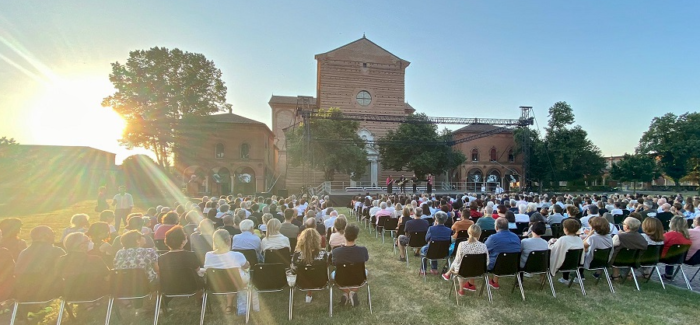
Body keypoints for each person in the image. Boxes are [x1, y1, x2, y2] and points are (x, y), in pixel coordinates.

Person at [203, 229, 254, 315]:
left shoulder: (208, 255)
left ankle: (229, 306)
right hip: (236, 284)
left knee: (229, 277)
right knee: (242, 274)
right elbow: (246, 266)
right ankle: (241, 307)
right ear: (228, 240)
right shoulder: (237, 255)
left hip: (215, 285)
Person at [157, 226, 202, 314]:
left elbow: (160, 273)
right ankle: (199, 301)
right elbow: (198, 271)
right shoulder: (191, 255)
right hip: (190, 286)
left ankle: (163, 305)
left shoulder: (161, 258)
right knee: (200, 278)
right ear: (182, 241)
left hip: (169, 287)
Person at [55, 232, 110, 302]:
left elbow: (57, 277)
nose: (90, 243)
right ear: (82, 246)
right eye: (88, 242)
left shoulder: (61, 260)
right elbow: (107, 276)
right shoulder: (95, 259)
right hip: (94, 293)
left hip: (69, 294)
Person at [14, 226, 66, 299]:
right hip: (49, 290)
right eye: (52, 233)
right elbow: (67, 270)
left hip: (24, 291)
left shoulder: (24, 252)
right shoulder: (56, 251)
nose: (54, 235)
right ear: (45, 236)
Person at [441, 224, 488, 294]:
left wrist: (451, 270)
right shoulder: (483, 246)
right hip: (479, 270)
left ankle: (461, 290)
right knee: (470, 262)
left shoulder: (462, 244)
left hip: (463, 270)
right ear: (480, 234)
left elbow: (457, 260)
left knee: (459, 262)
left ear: (468, 233)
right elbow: (487, 261)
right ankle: (470, 284)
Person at [331, 225, 369, 306]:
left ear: (344, 235)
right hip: (359, 278)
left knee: (333, 274)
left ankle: (346, 293)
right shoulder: (362, 250)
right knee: (366, 271)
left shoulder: (336, 251)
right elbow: (366, 259)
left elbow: (333, 263)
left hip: (341, 279)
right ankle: (352, 292)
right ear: (356, 237)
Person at [291, 228, 327, 303]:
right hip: (320, 281)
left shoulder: (297, 255)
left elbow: (293, 269)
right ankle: (309, 294)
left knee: (307, 272)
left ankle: (309, 294)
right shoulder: (324, 254)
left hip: (301, 282)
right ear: (317, 239)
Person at [484, 218, 521, 289]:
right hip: (514, 265)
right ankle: (494, 281)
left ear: (496, 227)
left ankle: (494, 281)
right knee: (499, 255)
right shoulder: (516, 237)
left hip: (497, 266)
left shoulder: (493, 238)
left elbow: (483, 250)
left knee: (495, 256)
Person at [549, 219, 584, 283]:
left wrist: (550, 243)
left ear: (565, 229)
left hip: (562, 264)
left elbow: (554, 249)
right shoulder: (579, 240)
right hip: (575, 264)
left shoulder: (563, 239)